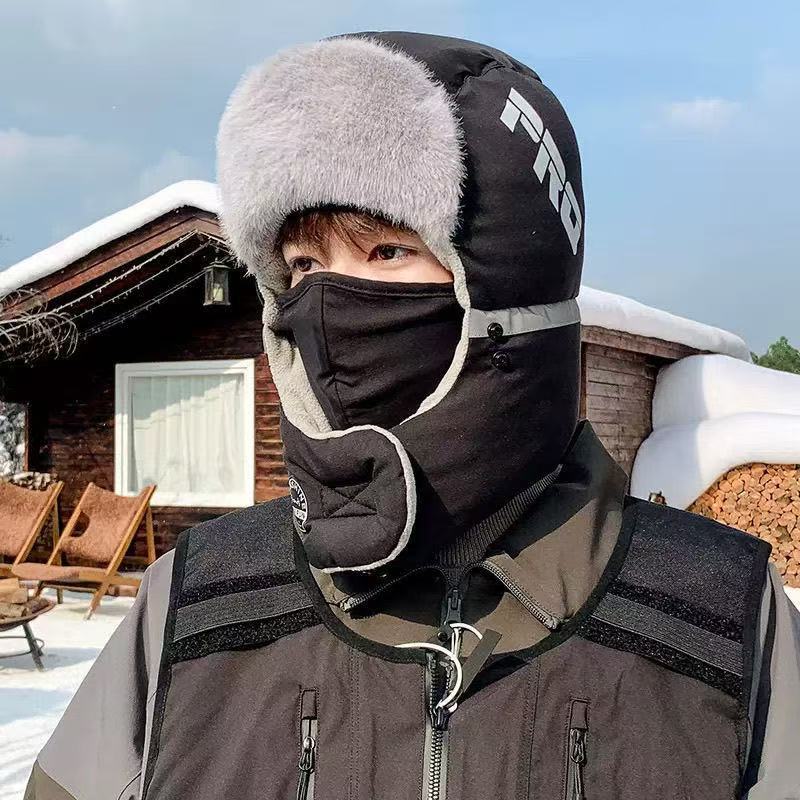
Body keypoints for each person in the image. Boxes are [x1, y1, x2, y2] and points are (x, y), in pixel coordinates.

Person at [24, 31, 800, 800]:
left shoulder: (721, 620)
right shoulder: (196, 603)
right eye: (304, 264)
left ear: (509, 295)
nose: (326, 305)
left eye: (387, 252)